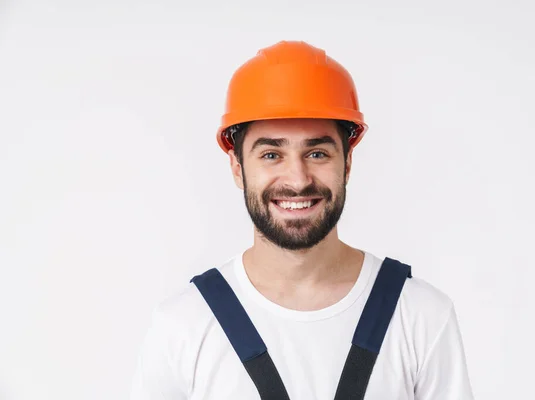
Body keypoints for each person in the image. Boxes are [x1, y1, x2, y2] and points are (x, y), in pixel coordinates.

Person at [130, 40, 474, 400]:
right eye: (271, 154)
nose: (297, 179)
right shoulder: (184, 325)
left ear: (348, 163)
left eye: (317, 152)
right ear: (237, 167)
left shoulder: (421, 316)